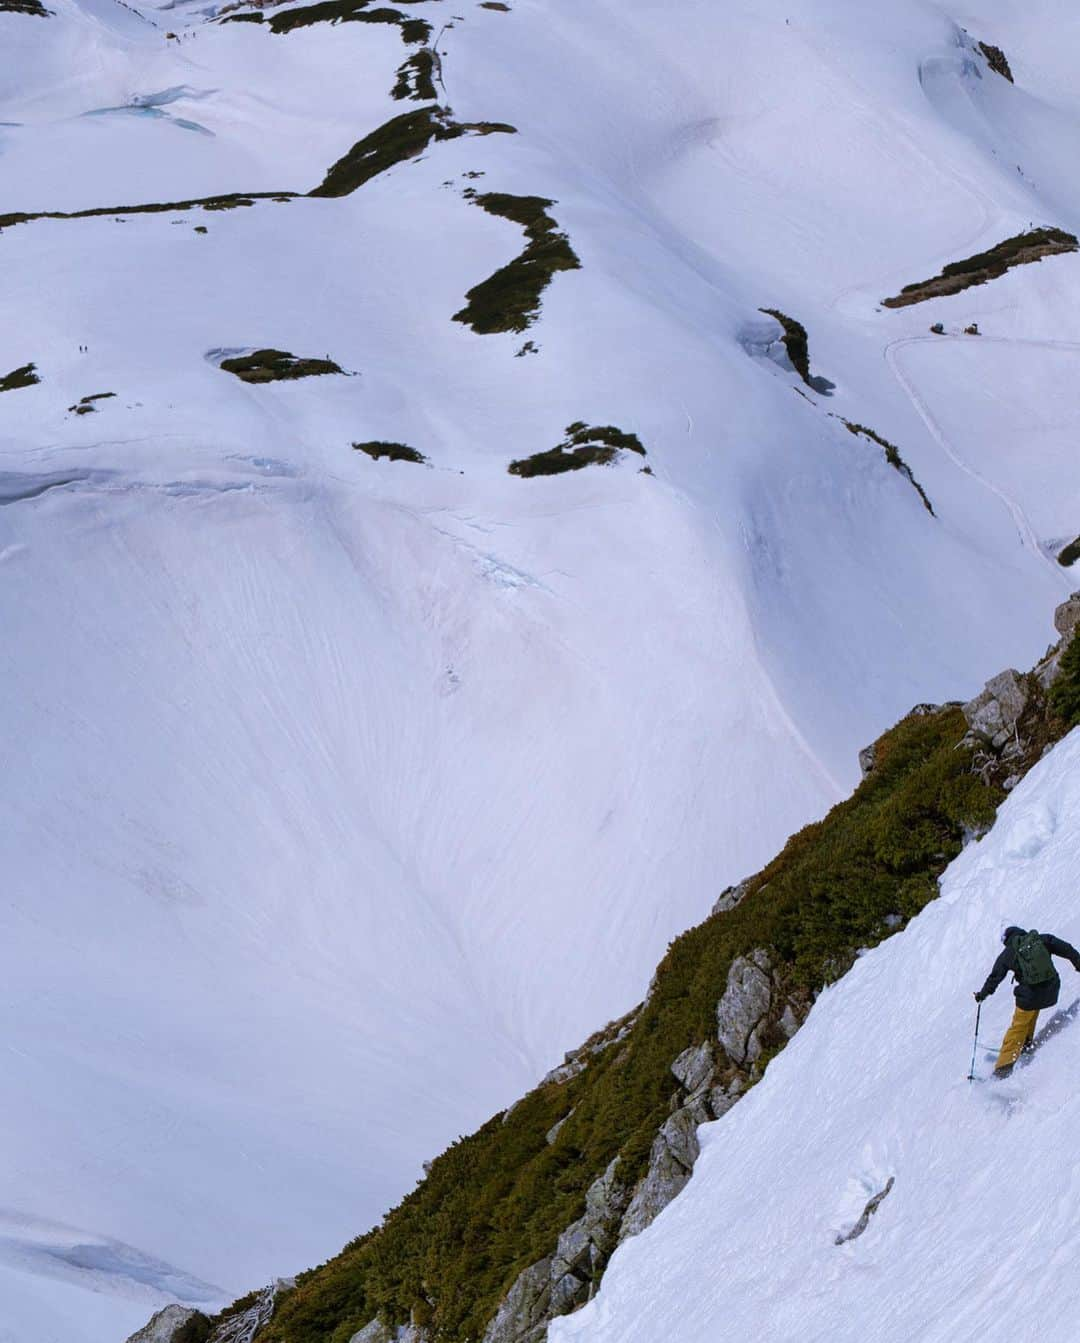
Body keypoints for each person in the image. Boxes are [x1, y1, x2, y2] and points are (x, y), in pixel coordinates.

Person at [975, 926, 1080, 1077]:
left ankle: (1003, 1068)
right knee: (1032, 1010)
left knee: (1018, 1026)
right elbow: (1067, 949)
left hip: (1029, 997)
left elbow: (994, 978)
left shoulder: (1009, 953)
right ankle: (1025, 1043)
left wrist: (982, 995)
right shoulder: (1042, 939)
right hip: (1052, 991)